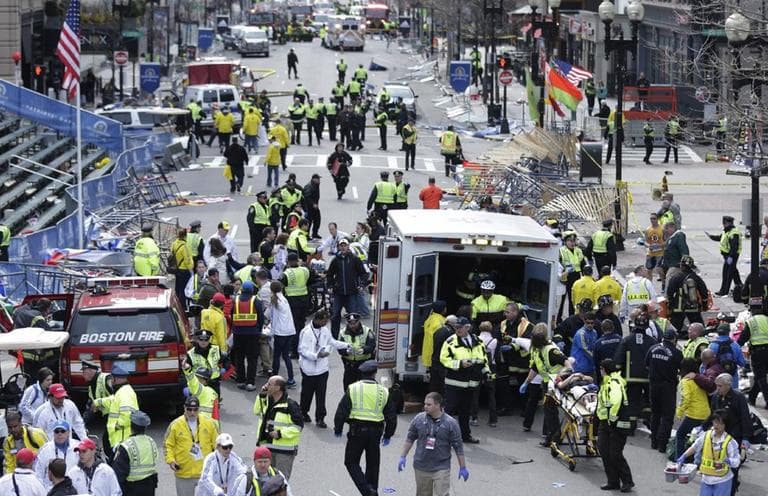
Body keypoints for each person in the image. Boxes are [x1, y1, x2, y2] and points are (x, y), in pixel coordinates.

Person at [333, 360, 397, 496]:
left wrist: (338, 428)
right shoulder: (383, 391)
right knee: (373, 465)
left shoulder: (353, 388)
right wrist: (388, 434)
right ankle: (372, 490)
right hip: (376, 432)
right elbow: (391, 415)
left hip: (357, 431)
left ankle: (367, 491)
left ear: (361, 373)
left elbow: (342, 411)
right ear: (375, 373)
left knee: (351, 462)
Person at [398, 392, 468, 496]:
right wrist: (403, 456)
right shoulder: (419, 419)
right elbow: (410, 439)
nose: (425, 406)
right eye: (425, 404)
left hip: (441, 467)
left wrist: (463, 467)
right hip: (421, 466)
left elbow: (458, 447)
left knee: (442, 494)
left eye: (429, 404)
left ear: (438, 405)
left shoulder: (451, 423)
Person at [439, 316, 490, 444]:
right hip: (454, 383)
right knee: (449, 411)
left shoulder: (478, 341)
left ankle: (465, 436)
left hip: (471, 384)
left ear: (468, 327)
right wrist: (460, 364)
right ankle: (443, 437)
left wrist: (486, 372)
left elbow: (483, 359)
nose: (457, 329)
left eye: (460, 327)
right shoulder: (450, 341)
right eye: (456, 327)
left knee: (465, 412)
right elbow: (444, 359)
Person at [298, 310, 351, 428]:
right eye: (325, 320)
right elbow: (302, 350)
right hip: (309, 369)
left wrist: (346, 345)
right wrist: (316, 356)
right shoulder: (306, 332)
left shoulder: (325, 330)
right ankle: (303, 412)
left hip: (322, 370)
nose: (326, 323)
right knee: (307, 393)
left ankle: (320, 418)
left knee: (321, 395)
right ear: (318, 319)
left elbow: (332, 342)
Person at [705, 374, 752, 495]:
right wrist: (702, 427)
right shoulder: (716, 397)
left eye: (720, 386)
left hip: (734, 437)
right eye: (717, 385)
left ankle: (731, 490)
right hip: (719, 437)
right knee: (719, 466)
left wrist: (746, 438)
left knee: (732, 468)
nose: (717, 388)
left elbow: (745, 418)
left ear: (728, 385)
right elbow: (713, 415)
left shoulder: (738, 397)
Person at [164, 396, 219, 496]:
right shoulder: (175, 425)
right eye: (189, 409)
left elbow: (218, 445)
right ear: (184, 408)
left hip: (205, 474)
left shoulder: (209, 423)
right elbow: (168, 445)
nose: (192, 412)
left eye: (195, 409)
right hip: (184, 474)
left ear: (199, 409)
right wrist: (171, 461)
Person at [679, 411, 740, 496]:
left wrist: (729, 461)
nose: (716, 425)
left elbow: (737, 461)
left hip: (722, 480)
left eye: (720, 423)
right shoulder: (706, 435)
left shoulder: (730, 442)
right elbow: (695, 446)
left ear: (725, 425)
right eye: (715, 422)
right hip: (706, 479)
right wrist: (684, 456)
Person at [253, 375, 304, 479]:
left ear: (277, 388)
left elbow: (298, 428)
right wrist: (261, 396)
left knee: (280, 481)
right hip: (267, 447)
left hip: (284, 452)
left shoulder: (291, 405)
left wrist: (280, 433)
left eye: (269, 384)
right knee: (265, 480)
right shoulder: (267, 400)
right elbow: (257, 411)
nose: (266, 386)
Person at [596, 358, 634, 493]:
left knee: (615, 454)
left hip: (616, 424)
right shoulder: (606, 382)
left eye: (601, 369)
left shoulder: (614, 382)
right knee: (604, 451)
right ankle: (613, 481)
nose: (600, 371)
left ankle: (627, 481)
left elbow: (616, 400)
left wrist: (612, 418)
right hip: (605, 423)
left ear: (604, 370)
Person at [645, 328, 682, 452]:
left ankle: (654, 441)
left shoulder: (652, 348)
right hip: (668, 387)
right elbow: (681, 369)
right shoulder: (676, 353)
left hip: (654, 385)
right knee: (667, 416)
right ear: (673, 339)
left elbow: (647, 365)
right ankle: (662, 444)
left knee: (655, 414)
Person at [327, 238, 367, 338]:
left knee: (353, 317)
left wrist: (361, 285)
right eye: (341, 245)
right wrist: (330, 286)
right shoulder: (335, 260)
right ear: (339, 247)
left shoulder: (354, 259)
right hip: (338, 294)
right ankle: (334, 337)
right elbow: (330, 275)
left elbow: (363, 273)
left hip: (351, 293)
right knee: (335, 316)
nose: (343, 247)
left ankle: (354, 336)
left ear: (348, 246)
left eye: (345, 245)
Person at [111, 411, 158, 496]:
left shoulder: (126, 445)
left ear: (131, 427)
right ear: (145, 427)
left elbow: (118, 473)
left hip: (132, 489)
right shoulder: (151, 441)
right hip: (149, 488)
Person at [231, 280, 266, 391]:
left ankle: (240, 381)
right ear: (252, 290)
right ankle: (250, 382)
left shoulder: (235, 300)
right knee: (252, 358)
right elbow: (261, 318)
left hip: (238, 334)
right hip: (252, 334)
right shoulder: (256, 301)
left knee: (239, 357)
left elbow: (232, 315)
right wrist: (259, 330)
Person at [675, 358, 711, 458]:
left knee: (680, 435)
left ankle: (680, 459)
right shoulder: (699, 379)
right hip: (706, 413)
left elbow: (685, 398)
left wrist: (679, 412)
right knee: (700, 438)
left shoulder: (686, 381)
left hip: (694, 414)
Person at [266, 281, 297, 387]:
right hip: (290, 331)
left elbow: (273, 318)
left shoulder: (275, 301)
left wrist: (271, 333)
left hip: (280, 333)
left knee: (276, 356)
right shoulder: (284, 299)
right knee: (286, 356)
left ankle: (274, 379)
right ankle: (291, 378)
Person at [667, 255, 709, 331]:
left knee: (674, 329)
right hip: (693, 307)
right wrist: (704, 304)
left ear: (682, 266)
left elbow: (670, 292)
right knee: (699, 329)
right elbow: (704, 291)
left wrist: (671, 304)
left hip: (679, 307)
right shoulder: (695, 277)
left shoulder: (676, 277)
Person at [338, 313, 377, 391]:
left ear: (358, 321)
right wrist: (346, 351)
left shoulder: (367, 331)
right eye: (350, 323)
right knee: (348, 389)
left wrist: (364, 350)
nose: (352, 325)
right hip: (349, 366)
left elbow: (372, 345)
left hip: (364, 365)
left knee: (366, 389)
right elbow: (339, 348)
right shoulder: (342, 333)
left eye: (354, 323)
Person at [34, 420, 77, 489]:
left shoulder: (77, 446)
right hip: (51, 490)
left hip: (73, 489)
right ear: (53, 433)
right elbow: (38, 473)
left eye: (63, 431)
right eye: (57, 431)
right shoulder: (45, 449)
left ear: (68, 432)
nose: (60, 434)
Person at [737, 311, 768, 407]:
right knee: (759, 377)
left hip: (758, 353)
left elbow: (743, 338)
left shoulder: (751, 321)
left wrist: (736, 347)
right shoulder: (766, 319)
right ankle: (752, 396)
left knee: (760, 376)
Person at [559, 231, 586, 319]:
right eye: (570, 241)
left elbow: (583, 264)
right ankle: (558, 318)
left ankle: (572, 317)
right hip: (564, 277)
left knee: (573, 299)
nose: (572, 243)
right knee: (561, 299)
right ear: (565, 241)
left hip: (576, 277)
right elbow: (558, 265)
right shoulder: (561, 251)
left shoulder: (578, 251)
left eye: (574, 241)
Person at [713, 215, 743, 297]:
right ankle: (740, 286)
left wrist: (730, 257)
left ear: (728, 223)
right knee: (734, 272)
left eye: (725, 223)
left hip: (731, 256)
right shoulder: (726, 230)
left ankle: (724, 291)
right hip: (727, 256)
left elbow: (734, 247)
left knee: (727, 273)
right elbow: (721, 237)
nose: (723, 225)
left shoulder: (734, 233)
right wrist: (712, 237)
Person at [710, 324, 746, 390]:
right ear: (728, 332)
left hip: (717, 380)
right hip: (732, 379)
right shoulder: (735, 345)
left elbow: (707, 364)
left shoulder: (712, 345)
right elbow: (742, 363)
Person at [421, 301, 447, 370]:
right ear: (442, 309)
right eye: (445, 308)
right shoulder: (440, 322)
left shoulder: (430, 319)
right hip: (435, 355)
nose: (446, 309)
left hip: (428, 353)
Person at [662, 221, 689, 287]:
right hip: (671, 264)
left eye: (666, 229)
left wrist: (683, 263)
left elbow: (683, 249)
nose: (666, 231)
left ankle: (668, 296)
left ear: (672, 228)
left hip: (676, 265)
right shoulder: (671, 237)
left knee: (669, 279)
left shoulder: (679, 236)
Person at [303, 174, 322, 239]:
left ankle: (315, 233)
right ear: (314, 179)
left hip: (315, 207)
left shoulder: (316, 185)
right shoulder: (309, 186)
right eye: (318, 179)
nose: (319, 180)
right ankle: (306, 235)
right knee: (309, 222)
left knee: (317, 220)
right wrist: (313, 204)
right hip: (309, 208)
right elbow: (307, 197)